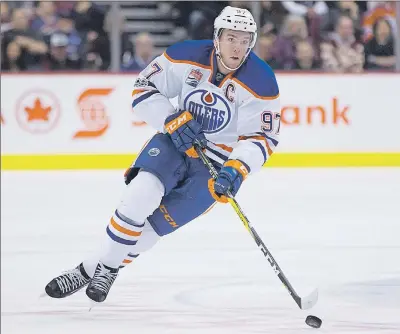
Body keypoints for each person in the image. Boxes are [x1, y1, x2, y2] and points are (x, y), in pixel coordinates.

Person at [44, 6, 281, 304]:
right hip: (175, 142)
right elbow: (144, 88)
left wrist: (237, 169)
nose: (238, 46)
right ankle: (105, 270)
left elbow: (263, 137)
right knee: (139, 196)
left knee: (152, 231)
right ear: (217, 37)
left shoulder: (262, 80)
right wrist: (171, 118)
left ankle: (87, 270)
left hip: (217, 164)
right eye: (231, 37)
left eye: (245, 39)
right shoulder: (186, 55)